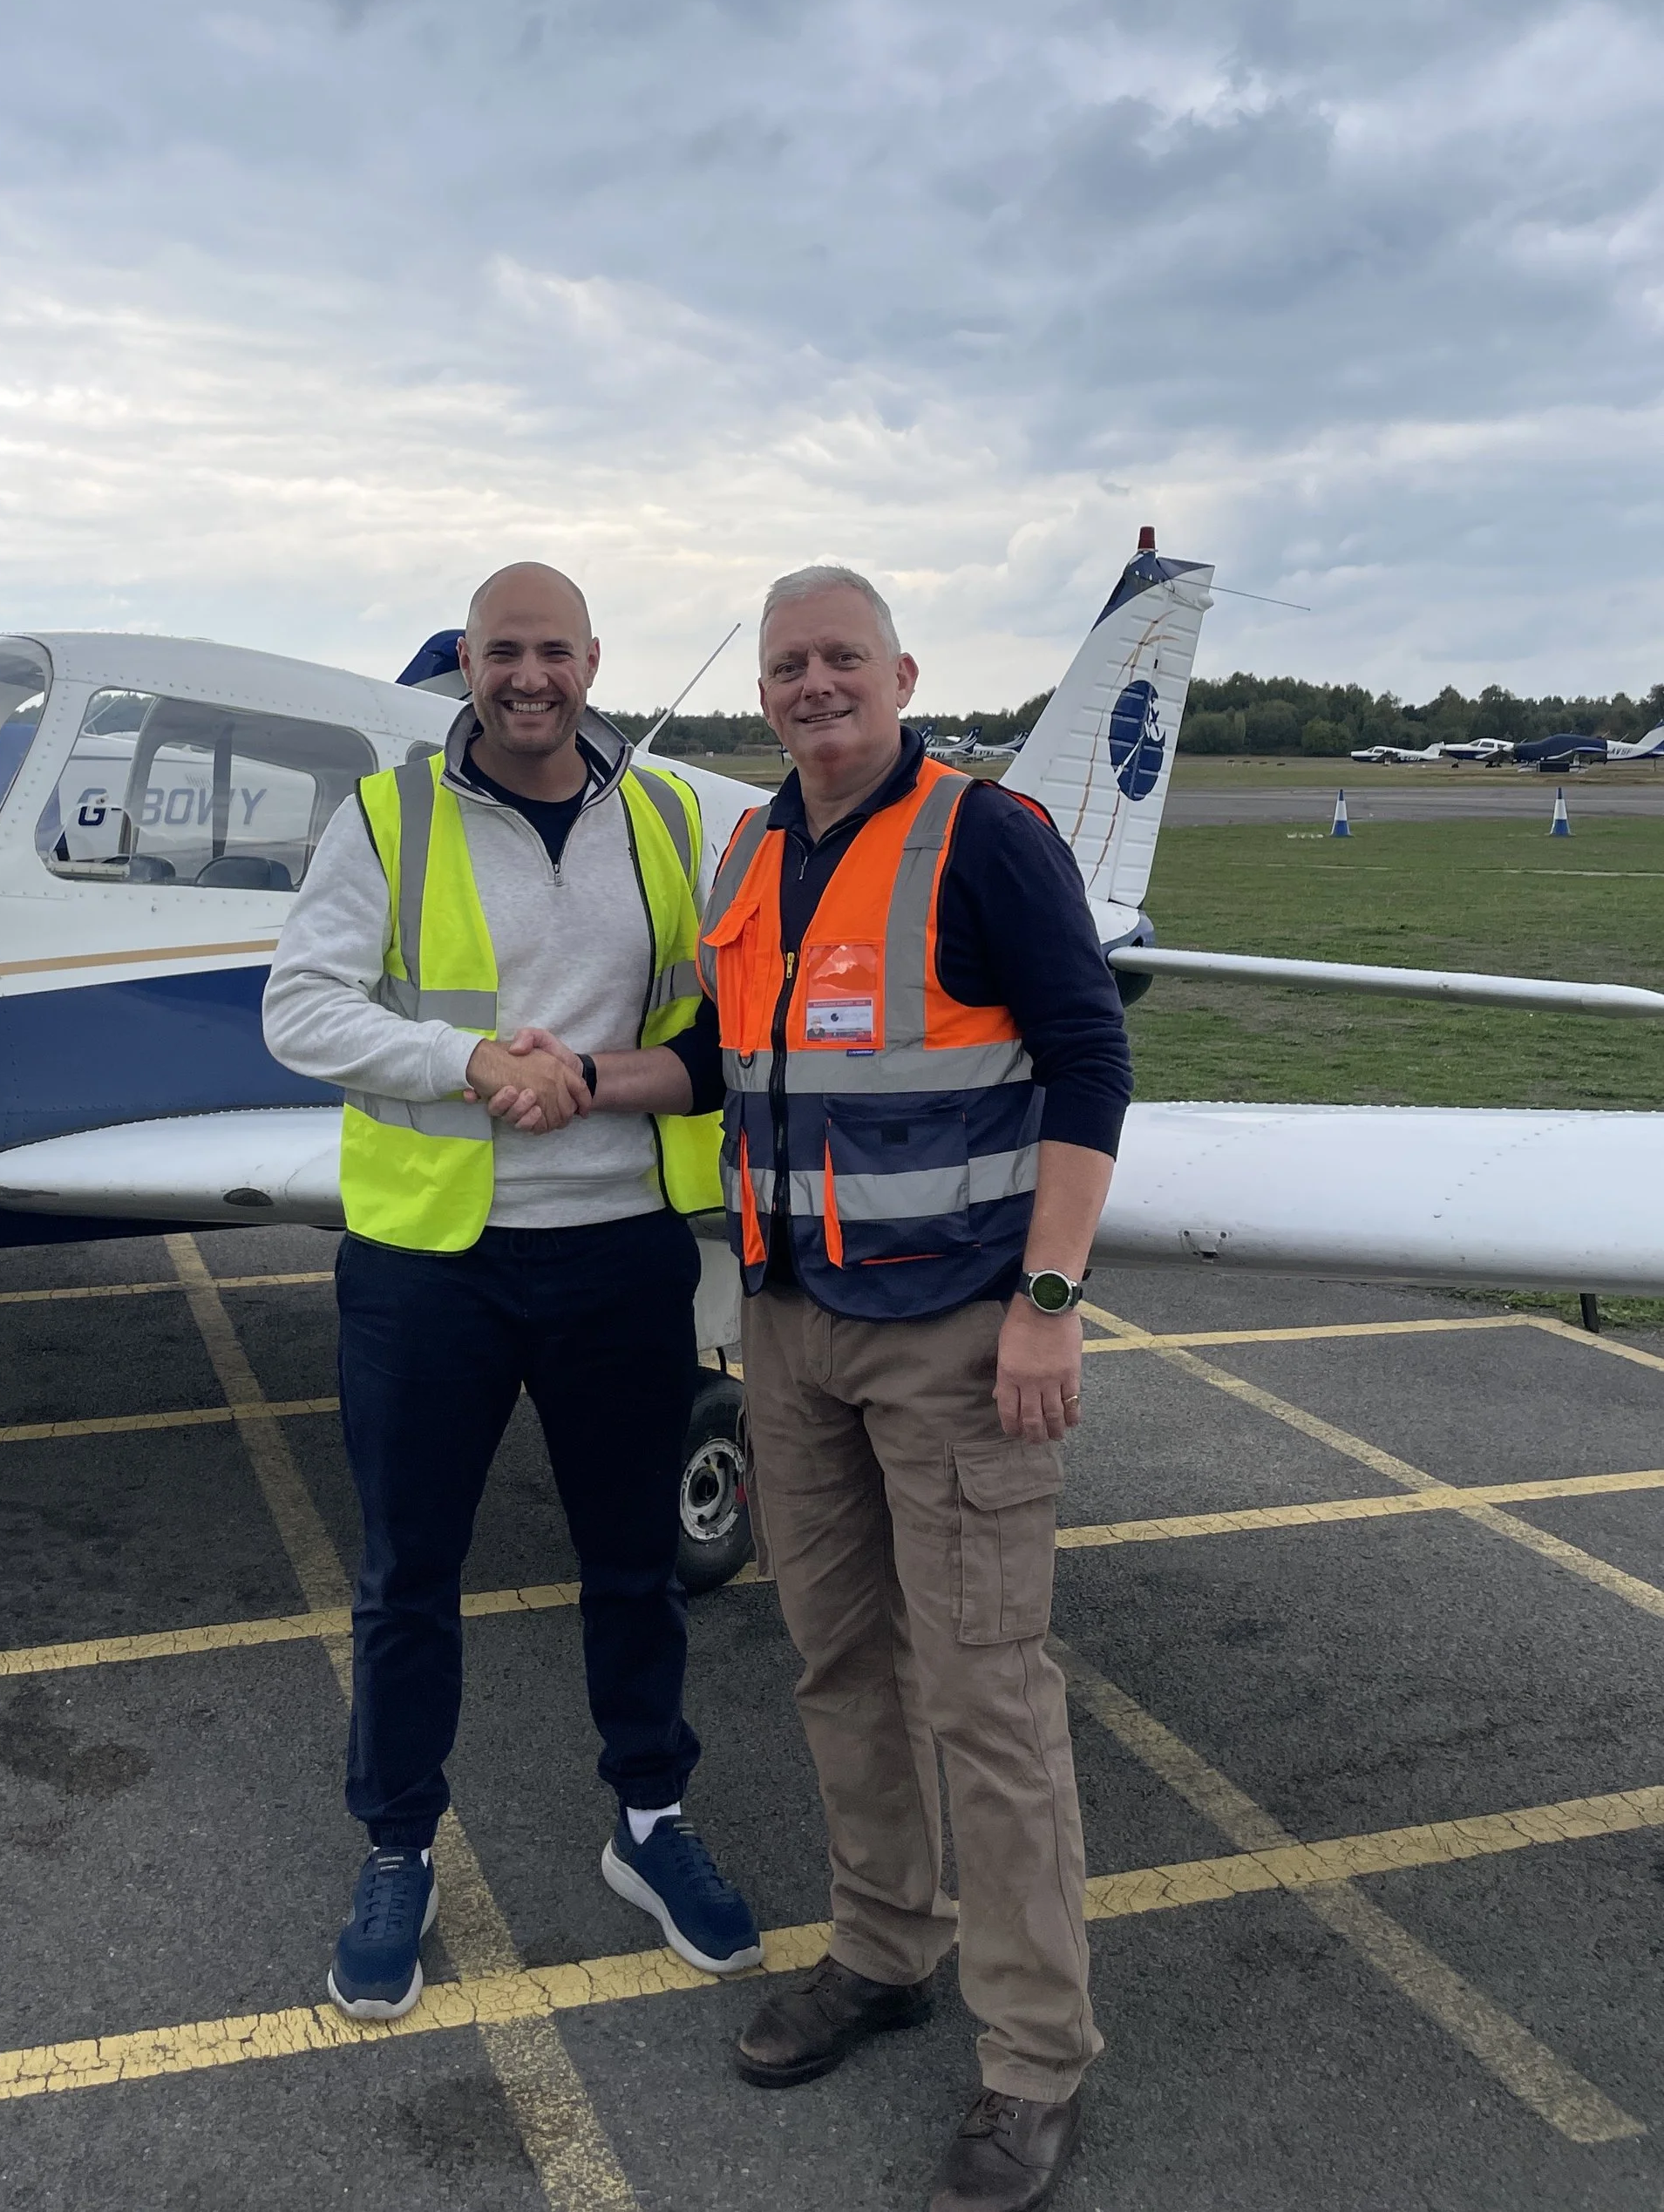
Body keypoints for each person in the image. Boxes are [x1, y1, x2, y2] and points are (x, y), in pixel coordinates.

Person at [520, 564, 1129, 2212]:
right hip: (792, 1326)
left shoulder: (985, 838)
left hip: (954, 1329)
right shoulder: (755, 849)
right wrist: (583, 1080)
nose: (811, 685)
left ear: (901, 670)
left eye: (839, 658)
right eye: (788, 665)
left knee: (988, 1695)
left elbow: (1092, 1060)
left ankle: (1031, 2062)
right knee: (838, 1657)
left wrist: (1050, 1304)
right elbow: (720, 1061)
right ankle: (883, 1949)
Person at [261, 560, 761, 2024]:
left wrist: (590, 1082)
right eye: (501, 653)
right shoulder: (389, 817)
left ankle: (651, 1825)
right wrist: (470, 1064)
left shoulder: (668, 816)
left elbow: (717, 1027)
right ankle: (398, 1847)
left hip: (619, 1246)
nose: (528, 677)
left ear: (592, 661)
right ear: (464, 665)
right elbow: (302, 1007)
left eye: (553, 652)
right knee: (409, 1577)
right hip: (433, 1260)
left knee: (633, 1563)